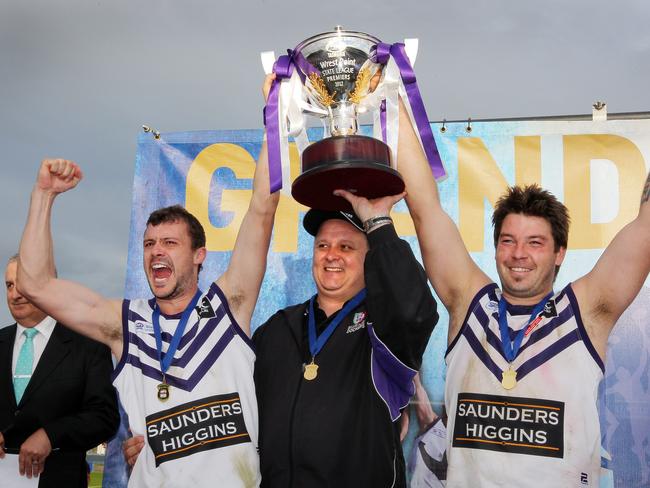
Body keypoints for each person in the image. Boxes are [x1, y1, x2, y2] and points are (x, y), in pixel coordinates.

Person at [16, 77, 279, 487]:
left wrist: (274, 118)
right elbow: (35, 283)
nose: (157, 251)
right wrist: (43, 196)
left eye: (170, 243)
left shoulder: (229, 304)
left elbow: (262, 209)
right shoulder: (125, 324)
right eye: (150, 243)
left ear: (199, 255)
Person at [397, 99, 650, 486]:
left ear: (559, 252)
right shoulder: (471, 304)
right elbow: (424, 208)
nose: (518, 254)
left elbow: (646, 227)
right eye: (508, 240)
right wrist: (391, 93)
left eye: (535, 242)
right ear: (496, 246)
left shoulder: (585, 312)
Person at [252, 189, 438, 487]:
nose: (331, 255)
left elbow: (413, 309)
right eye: (322, 245)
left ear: (369, 259)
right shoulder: (278, 327)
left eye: (346, 247)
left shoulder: (384, 329)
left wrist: (378, 223)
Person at [0, 254, 119, 487]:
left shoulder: (89, 345)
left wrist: (51, 435)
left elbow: (104, 416)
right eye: (9, 285)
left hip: (59, 479)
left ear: (47, 286)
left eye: (23, 285)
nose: (14, 294)